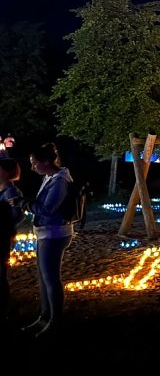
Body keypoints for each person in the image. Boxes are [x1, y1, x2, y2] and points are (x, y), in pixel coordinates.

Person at [19, 143, 75, 337]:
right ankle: (44, 317)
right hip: (46, 233)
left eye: (35, 163)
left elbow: (47, 209)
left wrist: (23, 203)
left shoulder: (59, 181)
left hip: (54, 234)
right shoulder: (50, 177)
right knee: (44, 278)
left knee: (51, 279)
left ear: (46, 162)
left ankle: (54, 321)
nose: (32, 167)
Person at [1, 157, 25, 320]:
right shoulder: (2, 190)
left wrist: (6, 226)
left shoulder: (11, 192)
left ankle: (4, 308)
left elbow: (18, 214)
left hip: (2, 237)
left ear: (7, 172)